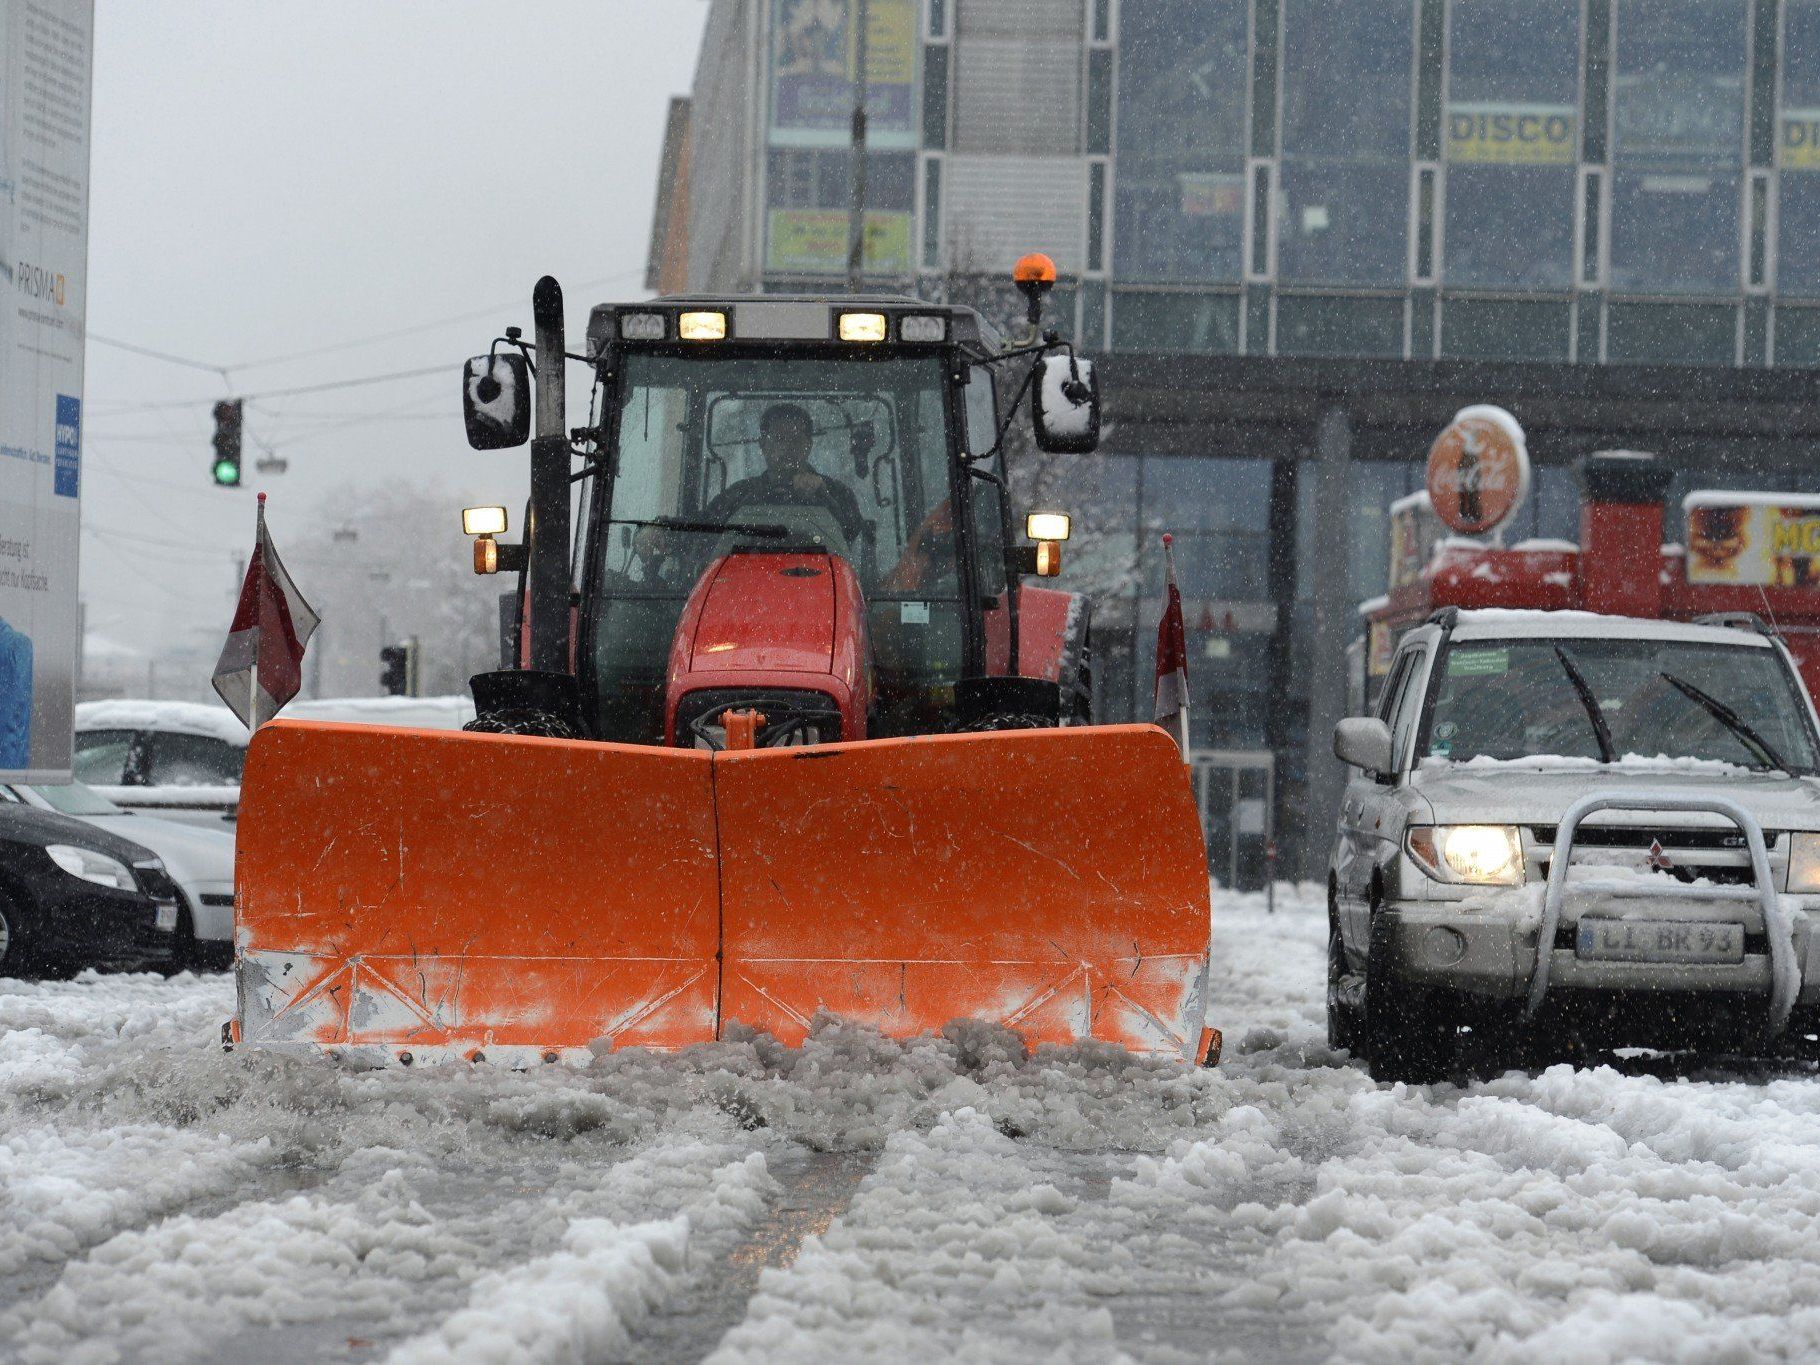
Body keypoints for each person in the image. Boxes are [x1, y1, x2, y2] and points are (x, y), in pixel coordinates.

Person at [703, 403, 867, 544]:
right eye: (779, 439)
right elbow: (704, 538)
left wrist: (823, 495)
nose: (788, 447)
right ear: (763, 445)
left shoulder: (837, 493)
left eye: (796, 439)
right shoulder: (738, 495)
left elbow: (853, 536)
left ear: (808, 445)